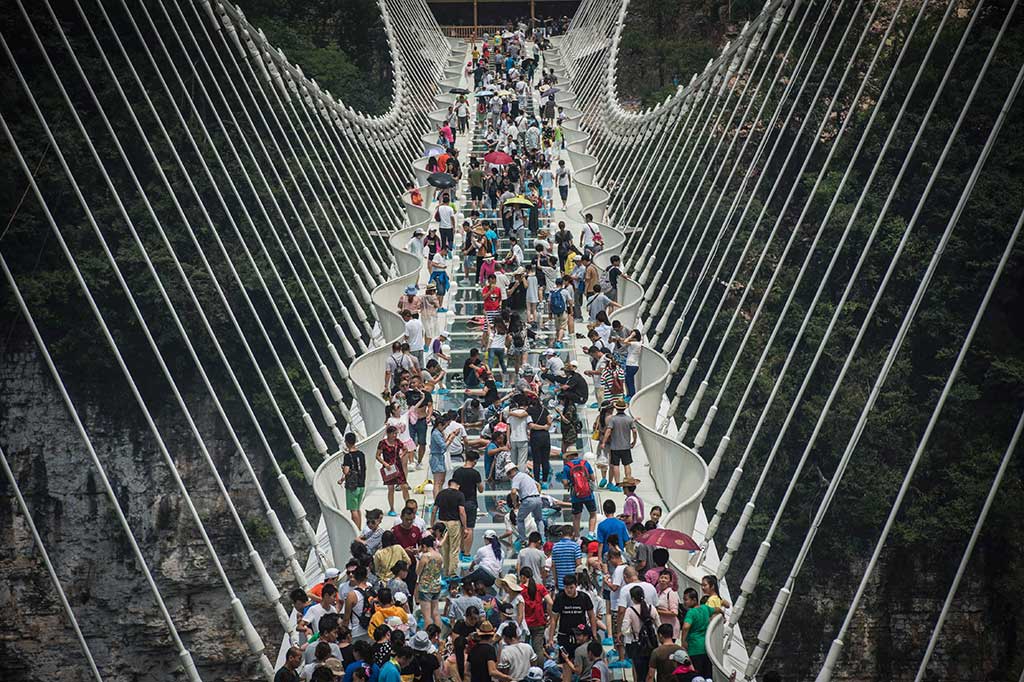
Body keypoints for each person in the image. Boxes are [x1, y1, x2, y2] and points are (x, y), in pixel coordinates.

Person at [548, 574, 598, 674]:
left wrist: (594, 634)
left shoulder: (584, 597)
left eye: (571, 587)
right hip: (564, 635)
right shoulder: (559, 598)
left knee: (582, 665)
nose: (569, 590)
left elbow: (592, 617)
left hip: (581, 637)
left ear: (576, 586)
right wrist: (550, 638)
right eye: (566, 588)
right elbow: (554, 619)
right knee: (566, 665)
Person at [621, 586, 660, 682]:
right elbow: (659, 626)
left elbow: (624, 630)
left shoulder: (630, 610)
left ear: (632, 598)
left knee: (641, 675)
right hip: (652, 645)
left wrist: (633, 631)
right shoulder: (652, 608)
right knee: (651, 673)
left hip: (638, 646)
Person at [431, 478, 467, 577]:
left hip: (442, 523)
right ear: (458, 485)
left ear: (449, 484)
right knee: (454, 549)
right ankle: (452, 572)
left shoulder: (441, 493)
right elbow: (462, 512)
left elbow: (434, 510)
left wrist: (432, 524)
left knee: (444, 548)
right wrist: (465, 527)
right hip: (453, 523)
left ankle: (445, 571)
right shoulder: (459, 495)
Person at [452, 450, 484, 560]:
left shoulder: (457, 472)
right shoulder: (475, 473)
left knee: (461, 528)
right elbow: (481, 489)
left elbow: (454, 488)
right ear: (474, 461)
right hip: (471, 503)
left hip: (458, 503)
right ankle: (467, 554)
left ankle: (461, 550)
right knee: (469, 528)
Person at [600, 399, 636, 492]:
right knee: (627, 464)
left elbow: (608, 431)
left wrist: (603, 442)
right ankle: (628, 480)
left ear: (616, 408)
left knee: (615, 465)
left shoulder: (613, 419)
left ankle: (617, 484)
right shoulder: (629, 419)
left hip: (615, 446)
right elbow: (634, 431)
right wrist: (634, 441)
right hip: (626, 446)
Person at [680, 588, 716, 678]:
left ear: (694, 600)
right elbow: (717, 609)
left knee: (697, 677)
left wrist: (683, 641)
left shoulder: (691, 612)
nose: (684, 602)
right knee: (707, 676)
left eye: (686, 600)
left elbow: (686, 626)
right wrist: (722, 613)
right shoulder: (705, 608)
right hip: (707, 647)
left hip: (694, 648)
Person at [561, 449, 597, 538]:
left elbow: (565, 483)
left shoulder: (567, 467)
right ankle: (591, 534)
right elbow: (593, 478)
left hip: (576, 495)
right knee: (592, 514)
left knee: (576, 517)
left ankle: (577, 537)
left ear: (569, 456)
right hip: (588, 494)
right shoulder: (585, 463)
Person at [519, 565, 552, 662]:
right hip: (539, 622)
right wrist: (550, 616)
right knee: (538, 649)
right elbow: (550, 602)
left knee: (524, 648)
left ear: (523, 577)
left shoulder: (520, 589)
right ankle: (539, 669)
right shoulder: (540, 587)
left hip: (525, 624)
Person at [508, 461, 544, 546]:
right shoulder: (525, 475)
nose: (509, 476)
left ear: (511, 472)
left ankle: (523, 540)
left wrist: (515, 503)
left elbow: (513, 492)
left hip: (528, 500)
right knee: (539, 520)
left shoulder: (516, 478)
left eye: (508, 474)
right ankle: (542, 539)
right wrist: (537, 494)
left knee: (520, 519)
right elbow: (538, 485)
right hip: (537, 498)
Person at [377, 426, 410, 515]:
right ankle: (391, 508)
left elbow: (405, 449)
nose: (395, 435)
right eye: (393, 433)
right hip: (389, 468)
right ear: (388, 434)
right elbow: (378, 455)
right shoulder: (383, 443)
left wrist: (401, 455)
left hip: (398, 467)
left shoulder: (397, 442)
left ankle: (408, 506)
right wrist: (385, 464)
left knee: (404, 486)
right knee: (391, 489)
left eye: (396, 433)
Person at [338, 432, 367, 528]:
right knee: (357, 508)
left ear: (346, 442)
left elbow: (346, 471)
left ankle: (356, 531)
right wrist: (342, 479)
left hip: (352, 487)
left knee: (353, 510)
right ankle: (359, 528)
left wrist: (343, 468)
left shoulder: (347, 456)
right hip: (361, 484)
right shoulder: (361, 454)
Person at [416, 536, 443, 629]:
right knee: (435, 613)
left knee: (426, 615)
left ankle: (429, 634)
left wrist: (418, 561)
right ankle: (438, 633)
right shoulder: (439, 556)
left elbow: (418, 572)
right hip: (436, 586)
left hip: (425, 587)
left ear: (424, 546)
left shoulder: (425, 556)